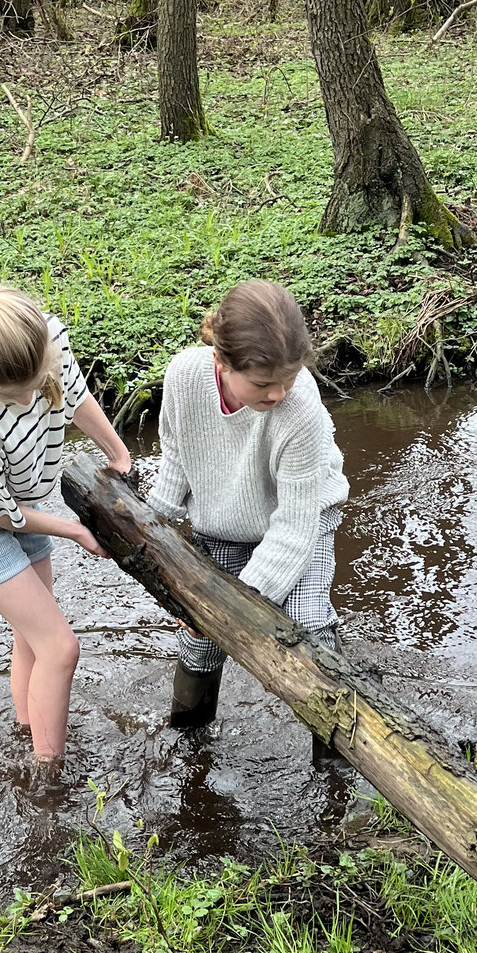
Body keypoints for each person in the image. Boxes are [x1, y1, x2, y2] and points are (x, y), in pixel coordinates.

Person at [0, 285, 130, 767]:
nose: (36, 394)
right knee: (60, 648)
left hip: (22, 494)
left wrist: (116, 452)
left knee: (33, 640)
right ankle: (47, 776)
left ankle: (29, 735)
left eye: (39, 381)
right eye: (21, 394)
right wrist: (74, 530)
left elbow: (73, 395)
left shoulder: (47, 333)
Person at [149, 280, 348, 731]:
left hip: (302, 518)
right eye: (263, 383)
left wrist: (236, 605)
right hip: (220, 521)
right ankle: (189, 740)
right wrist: (153, 521)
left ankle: (336, 756)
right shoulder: (184, 375)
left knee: (309, 628)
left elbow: (295, 528)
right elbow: (178, 456)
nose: (278, 393)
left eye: (289, 378)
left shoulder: (299, 408)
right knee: (200, 641)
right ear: (221, 361)